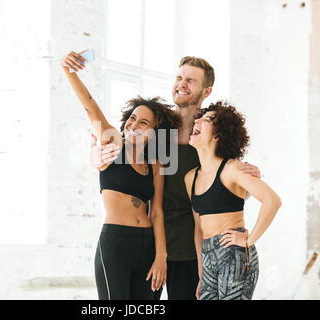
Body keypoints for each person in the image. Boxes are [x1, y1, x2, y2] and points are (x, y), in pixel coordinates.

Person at [91, 56, 261, 300]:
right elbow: (122, 152)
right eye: (179, 77)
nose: (182, 84)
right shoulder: (159, 130)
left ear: (207, 90)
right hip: (149, 247)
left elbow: (231, 187)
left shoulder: (210, 134)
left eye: (190, 80)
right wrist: (96, 156)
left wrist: (251, 178)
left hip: (191, 253)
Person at [61, 50, 181, 300]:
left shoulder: (156, 164)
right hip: (116, 243)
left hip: (148, 245)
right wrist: (68, 70)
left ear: (155, 133)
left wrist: (161, 256)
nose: (134, 125)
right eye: (132, 118)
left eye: (144, 123)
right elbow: (90, 106)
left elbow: (156, 212)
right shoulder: (112, 143)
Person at [184, 101, 281, 300]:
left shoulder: (233, 169)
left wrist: (249, 239)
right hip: (208, 258)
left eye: (207, 119)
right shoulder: (190, 178)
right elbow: (198, 229)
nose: (198, 120)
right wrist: (202, 273)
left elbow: (272, 200)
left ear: (218, 134)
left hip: (234, 254)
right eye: (200, 117)